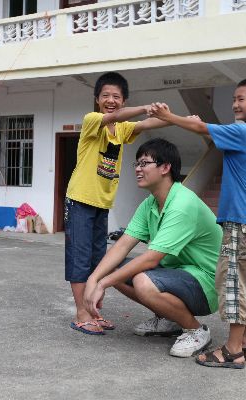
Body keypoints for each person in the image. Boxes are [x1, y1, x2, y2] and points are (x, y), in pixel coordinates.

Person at [149, 77, 246, 369]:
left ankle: (232, 350)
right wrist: (197, 123)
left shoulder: (242, 132)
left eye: (241, 99)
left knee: (233, 285)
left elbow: (201, 129)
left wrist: (169, 116)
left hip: (240, 222)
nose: (235, 104)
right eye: (233, 99)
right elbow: (210, 133)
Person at [84, 138, 223, 357]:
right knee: (113, 267)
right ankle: (169, 318)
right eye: (137, 164)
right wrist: (94, 279)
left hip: (207, 283)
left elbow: (151, 259)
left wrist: (103, 283)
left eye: (144, 163)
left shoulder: (182, 204)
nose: (138, 169)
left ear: (165, 168)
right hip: (177, 273)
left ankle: (196, 331)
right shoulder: (150, 203)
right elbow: (123, 244)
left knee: (142, 281)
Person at [66, 72, 170, 335]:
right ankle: (81, 314)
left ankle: (93, 311)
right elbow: (119, 117)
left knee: (98, 259)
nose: (111, 101)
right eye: (106, 96)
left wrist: (179, 119)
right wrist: (145, 107)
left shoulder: (121, 130)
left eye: (116, 97)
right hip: (80, 199)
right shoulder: (92, 120)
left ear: (124, 100)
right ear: (97, 99)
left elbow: (148, 124)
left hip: (101, 203)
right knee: (79, 258)